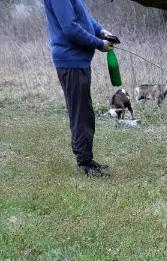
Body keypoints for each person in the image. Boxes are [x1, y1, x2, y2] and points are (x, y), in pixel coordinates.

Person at [43, 0, 119, 175]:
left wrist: (101, 31)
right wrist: (99, 44)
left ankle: (86, 158)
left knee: (83, 112)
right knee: (81, 113)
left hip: (78, 61)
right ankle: (85, 163)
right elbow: (70, 28)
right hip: (71, 61)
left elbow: (83, 17)